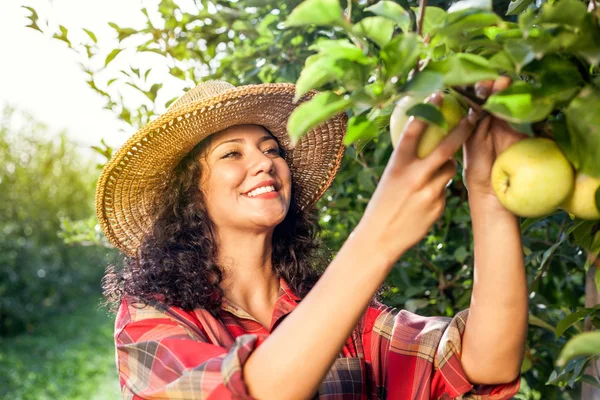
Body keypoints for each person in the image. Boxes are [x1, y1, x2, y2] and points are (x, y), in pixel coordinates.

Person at [96, 78, 528, 399]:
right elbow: (251, 389)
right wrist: (377, 237)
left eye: (272, 150)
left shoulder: (338, 314)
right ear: (189, 193)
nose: (265, 163)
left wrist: (489, 194)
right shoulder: (151, 318)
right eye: (232, 153)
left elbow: (485, 362)